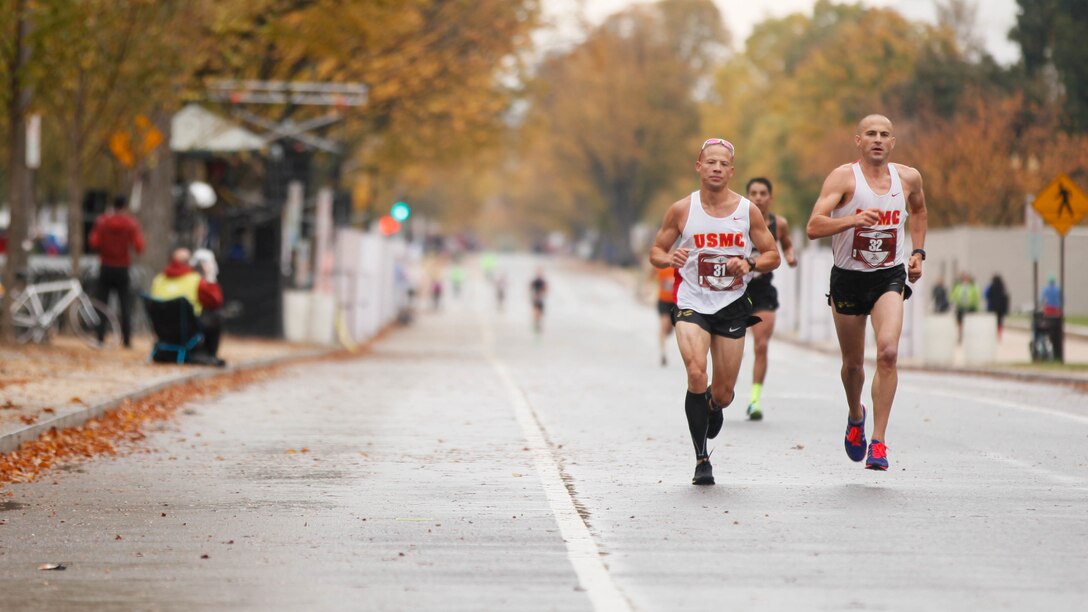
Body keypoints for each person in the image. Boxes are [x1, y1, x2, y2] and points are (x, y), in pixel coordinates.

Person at [649, 137, 780, 486]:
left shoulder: (746, 211)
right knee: (696, 373)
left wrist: (749, 262)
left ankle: (713, 405)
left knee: (723, 392)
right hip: (692, 302)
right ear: (699, 166)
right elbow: (657, 251)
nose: (717, 168)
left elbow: (772, 255)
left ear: (731, 171)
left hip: (732, 306)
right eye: (711, 162)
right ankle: (701, 458)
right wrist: (669, 258)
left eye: (723, 164)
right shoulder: (681, 210)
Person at [805, 114, 927, 472]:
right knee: (854, 365)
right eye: (871, 134)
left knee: (888, 352)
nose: (877, 139)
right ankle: (855, 413)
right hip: (847, 278)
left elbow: (918, 211)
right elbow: (814, 226)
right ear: (858, 140)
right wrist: (851, 220)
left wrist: (918, 253)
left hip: (888, 276)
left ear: (893, 142)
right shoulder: (843, 178)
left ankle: (879, 441)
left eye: (884, 134)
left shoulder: (908, 178)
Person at [742, 177, 798, 420]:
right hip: (736, 289)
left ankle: (754, 400)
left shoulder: (779, 223)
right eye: (753, 193)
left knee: (761, 345)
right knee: (727, 344)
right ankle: (720, 392)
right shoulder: (737, 220)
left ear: (770, 197)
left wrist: (790, 255)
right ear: (746, 197)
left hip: (763, 290)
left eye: (763, 193)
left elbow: (786, 244)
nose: (758, 197)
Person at [150, 247, 225, 366]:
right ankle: (209, 353)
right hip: (188, 331)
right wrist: (209, 277)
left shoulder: (158, 280)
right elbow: (216, 300)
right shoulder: (195, 280)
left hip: (162, 331)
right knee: (217, 314)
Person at [88, 195, 145, 347]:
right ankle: (126, 340)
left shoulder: (102, 221)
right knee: (125, 305)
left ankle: (100, 337)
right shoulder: (131, 224)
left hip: (105, 266)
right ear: (125, 206)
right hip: (122, 267)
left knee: (102, 304)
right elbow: (139, 246)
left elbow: (93, 242)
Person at [650, 266, 677, 366]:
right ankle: (663, 353)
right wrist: (650, 285)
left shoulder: (678, 265)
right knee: (664, 325)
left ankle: (666, 334)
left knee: (669, 328)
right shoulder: (660, 266)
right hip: (663, 301)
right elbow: (651, 275)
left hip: (675, 301)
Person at [950, 272, 981, 343]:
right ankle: (960, 336)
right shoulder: (958, 286)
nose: (966, 279)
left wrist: (977, 307)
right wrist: (952, 301)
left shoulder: (973, 286)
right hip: (960, 307)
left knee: (970, 324)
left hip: (970, 307)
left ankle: (969, 337)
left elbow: (977, 297)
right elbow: (954, 294)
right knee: (960, 323)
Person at [984, 274, 1010, 339]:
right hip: (1001, 309)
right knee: (1000, 322)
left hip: (992, 308)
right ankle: (999, 334)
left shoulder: (990, 288)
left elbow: (986, 296)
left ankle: (994, 334)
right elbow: (1006, 298)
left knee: (993, 322)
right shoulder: (1003, 288)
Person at [530, 268, 547, 333]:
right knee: (536, 311)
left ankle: (538, 322)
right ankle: (536, 322)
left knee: (540, 312)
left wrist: (543, 293)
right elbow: (530, 287)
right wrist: (533, 295)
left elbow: (546, 289)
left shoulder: (543, 281)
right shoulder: (534, 281)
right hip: (536, 298)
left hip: (541, 298)